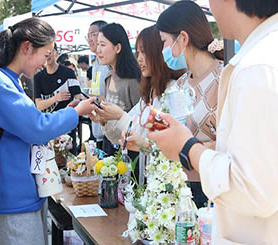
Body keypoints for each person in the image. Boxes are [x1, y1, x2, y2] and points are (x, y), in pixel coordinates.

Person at [148, 0, 278, 243]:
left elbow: (252, 187)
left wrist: (188, 148)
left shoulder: (257, 67)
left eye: (165, 42)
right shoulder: (257, 59)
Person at [0, 18, 95, 245]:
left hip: (21, 195)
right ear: (27, 47)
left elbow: (33, 122)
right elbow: (37, 128)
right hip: (10, 200)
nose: (46, 63)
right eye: (46, 55)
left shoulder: (8, 80)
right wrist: (75, 114)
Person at [155, 0, 224, 208]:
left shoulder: (223, 78)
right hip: (181, 188)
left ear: (182, 38)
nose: (164, 49)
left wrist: (192, 149)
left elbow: (234, 145)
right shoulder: (182, 83)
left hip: (213, 190)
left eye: (165, 41)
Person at [95, 25, 183, 184]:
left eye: (144, 52)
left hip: (166, 184)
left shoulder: (173, 93)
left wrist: (119, 115)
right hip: (149, 179)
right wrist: (106, 119)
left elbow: (162, 145)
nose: (140, 58)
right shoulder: (149, 93)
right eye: (138, 52)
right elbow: (136, 135)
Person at [95, 22, 141, 156]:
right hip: (111, 147)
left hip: (132, 151)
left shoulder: (133, 80)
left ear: (118, 48)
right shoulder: (108, 77)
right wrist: (101, 117)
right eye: (98, 44)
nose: (98, 50)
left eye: (102, 45)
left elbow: (140, 122)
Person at [34, 43, 82, 155]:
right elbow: (38, 105)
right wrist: (56, 98)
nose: (48, 54)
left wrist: (72, 108)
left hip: (67, 126)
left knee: (69, 161)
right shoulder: (38, 77)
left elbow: (78, 98)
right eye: (44, 51)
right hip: (47, 126)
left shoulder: (69, 73)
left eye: (50, 50)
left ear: (56, 52)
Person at [86, 20, 110, 150]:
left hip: (110, 130)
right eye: (88, 36)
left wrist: (95, 99)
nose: (90, 39)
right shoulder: (95, 64)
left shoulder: (109, 64)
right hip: (97, 129)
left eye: (93, 34)